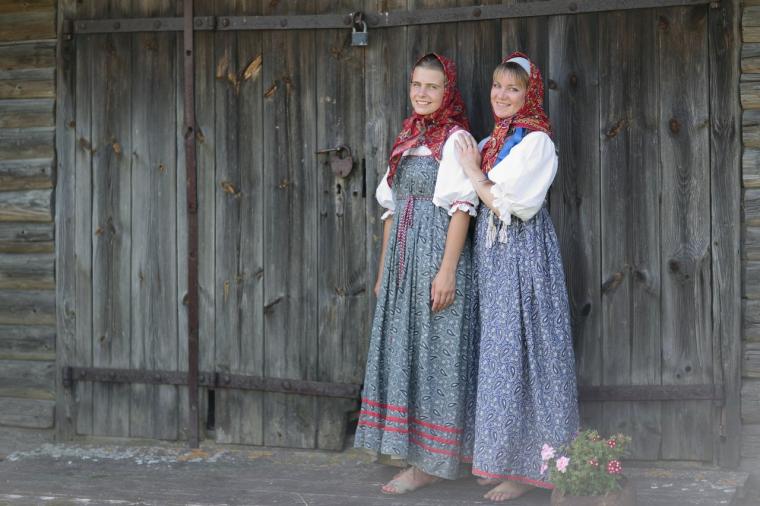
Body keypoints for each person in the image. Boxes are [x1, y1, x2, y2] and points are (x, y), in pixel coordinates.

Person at [455, 52, 579, 502]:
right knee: (501, 358)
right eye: (497, 86)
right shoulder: (493, 141)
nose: (501, 95)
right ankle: (506, 461)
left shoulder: (536, 142)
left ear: (530, 95)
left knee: (527, 354)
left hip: (523, 258)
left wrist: (473, 172)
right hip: (493, 261)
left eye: (513, 88)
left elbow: (515, 205)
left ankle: (532, 469)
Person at [353, 53, 479, 495]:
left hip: (436, 257)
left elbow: (463, 208)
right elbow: (391, 210)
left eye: (432, 86)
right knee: (406, 352)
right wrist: (385, 271)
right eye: (416, 84)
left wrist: (447, 273)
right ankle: (413, 453)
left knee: (435, 355)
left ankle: (431, 462)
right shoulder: (409, 135)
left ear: (448, 92)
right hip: (404, 261)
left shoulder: (457, 138)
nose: (422, 93)